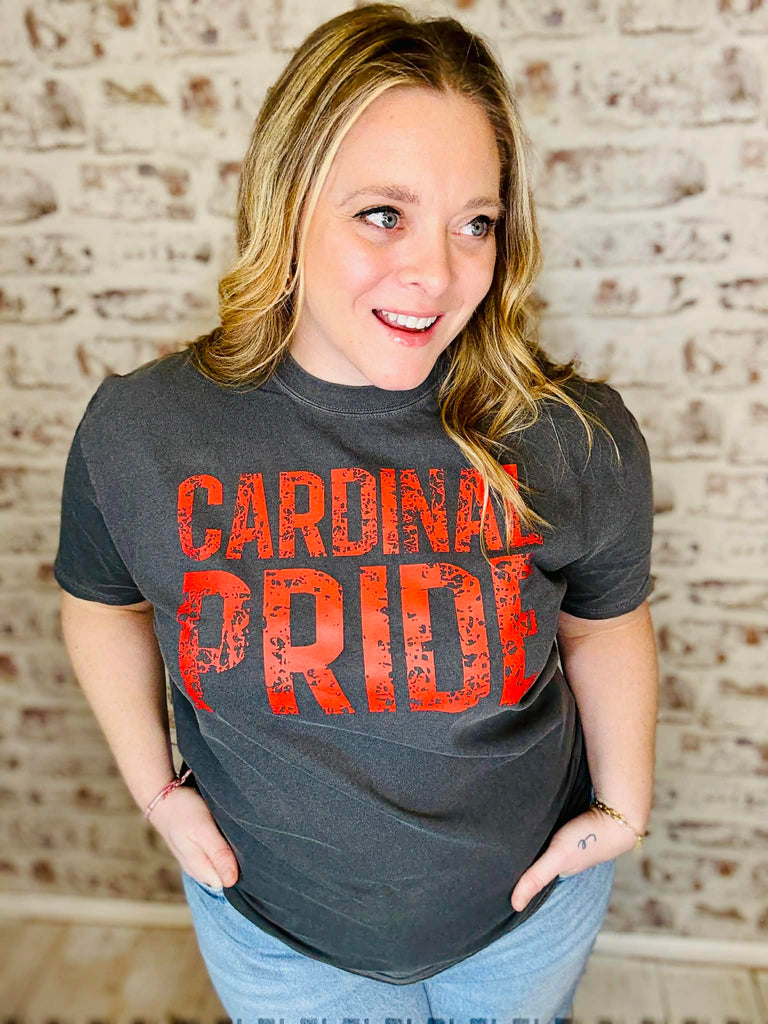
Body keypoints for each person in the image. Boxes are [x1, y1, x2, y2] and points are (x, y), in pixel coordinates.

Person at [53, 4, 659, 1022]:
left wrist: (622, 806)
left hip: (524, 925)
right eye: (383, 213)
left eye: (476, 222)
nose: (439, 273)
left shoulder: (570, 434)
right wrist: (157, 792)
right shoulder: (142, 432)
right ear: (286, 203)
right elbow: (100, 599)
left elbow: (603, 623)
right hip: (277, 937)